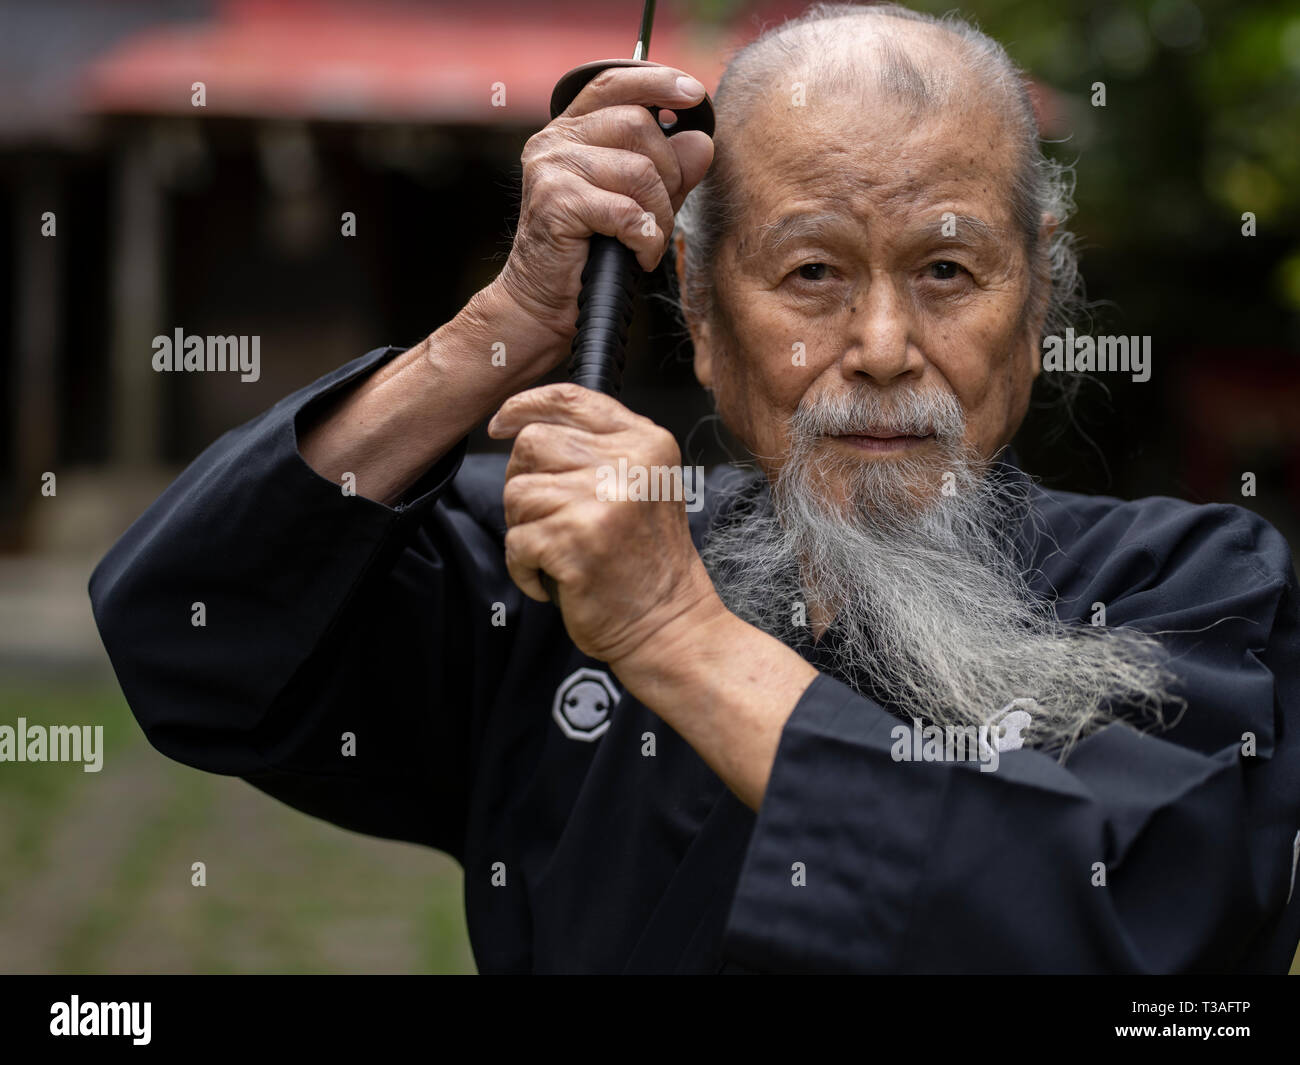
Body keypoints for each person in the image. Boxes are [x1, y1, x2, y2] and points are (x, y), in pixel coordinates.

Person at [89, 2, 1300, 972]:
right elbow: (190, 635)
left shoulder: (1180, 591)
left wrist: (674, 632)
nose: (882, 345)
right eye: (811, 270)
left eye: (946, 269)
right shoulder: (561, 559)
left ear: (1036, 317)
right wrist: (504, 326)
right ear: (707, 328)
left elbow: (1154, 936)